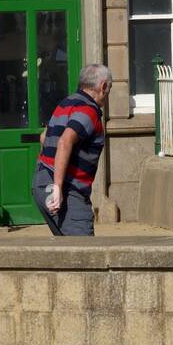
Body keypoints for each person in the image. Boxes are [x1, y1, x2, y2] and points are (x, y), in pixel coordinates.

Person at [34, 63, 112, 236]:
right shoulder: (89, 110)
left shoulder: (66, 103)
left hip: (41, 182)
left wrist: (46, 174)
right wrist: (57, 187)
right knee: (85, 253)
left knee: (67, 250)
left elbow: (43, 137)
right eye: (109, 89)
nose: (108, 95)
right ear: (103, 86)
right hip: (68, 190)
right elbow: (65, 141)